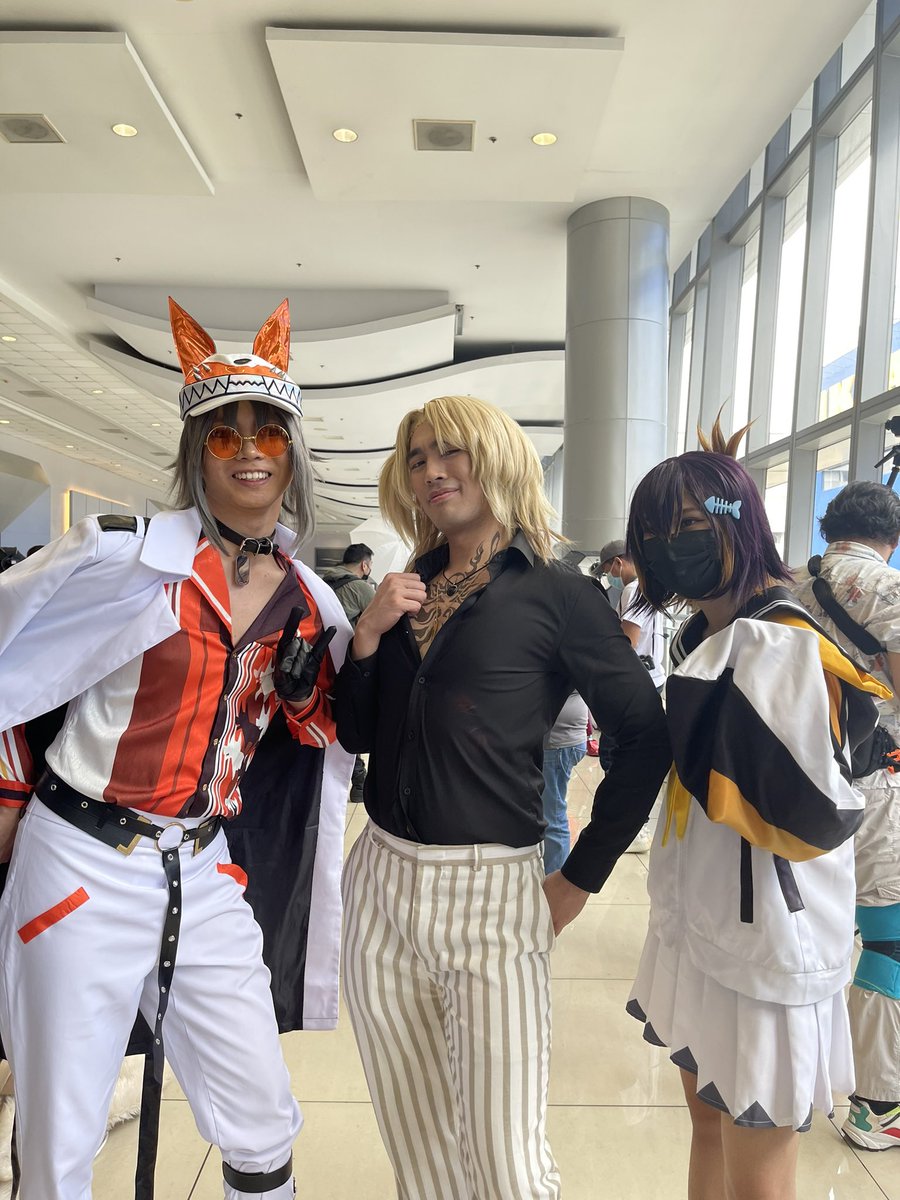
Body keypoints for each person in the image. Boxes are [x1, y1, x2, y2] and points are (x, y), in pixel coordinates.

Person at [0, 298, 354, 1200]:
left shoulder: (309, 600)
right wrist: (5, 798)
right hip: (79, 858)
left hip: (200, 864)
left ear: (291, 453)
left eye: (268, 432)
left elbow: (323, 729)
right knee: (59, 1135)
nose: (247, 450)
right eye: (225, 432)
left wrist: (335, 668)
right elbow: (8, 660)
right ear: (197, 451)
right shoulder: (117, 561)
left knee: (261, 1119)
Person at [334, 393, 671, 1199]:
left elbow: (644, 736)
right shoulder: (408, 585)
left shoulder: (558, 592)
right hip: (380, 880)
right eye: (417, 458)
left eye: (450, 451)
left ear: (496, 456)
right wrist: (368, 639)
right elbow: (357, 733)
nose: (432, 471)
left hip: (490, 888)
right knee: (417, 1145)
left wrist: (578, 878)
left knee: (505, 1161)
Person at [623, 422, 888, 1200]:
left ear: (738, 522)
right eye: (656, 533)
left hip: (767, 943)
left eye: (690, 525)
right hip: (698, 918)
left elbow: (808, 811)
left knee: (760, 1169)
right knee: (706, 1121)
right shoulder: (708, 635)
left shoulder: (779, 640)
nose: (672, 547)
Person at [792, 480, 900, 1150]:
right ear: (891, 536)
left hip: (797, 785)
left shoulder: (790, 587)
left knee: (810, 931)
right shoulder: (886, 588)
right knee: (888, 938)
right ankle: (877, 1105)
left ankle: (794, 1076)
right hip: (875, 784)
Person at [323, 543, 377, 801]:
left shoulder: (322, 582)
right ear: (364, 565)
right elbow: (381, 621)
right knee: (349, 719)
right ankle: (358, 780)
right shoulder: (361, 588)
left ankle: (352, 776)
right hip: (345, 665)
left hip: (317, 663)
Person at [541, 690, 590, 873]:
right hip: (558, 740)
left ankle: (554, 878)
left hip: (558, 743)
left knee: (552, 817)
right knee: (549, 813)